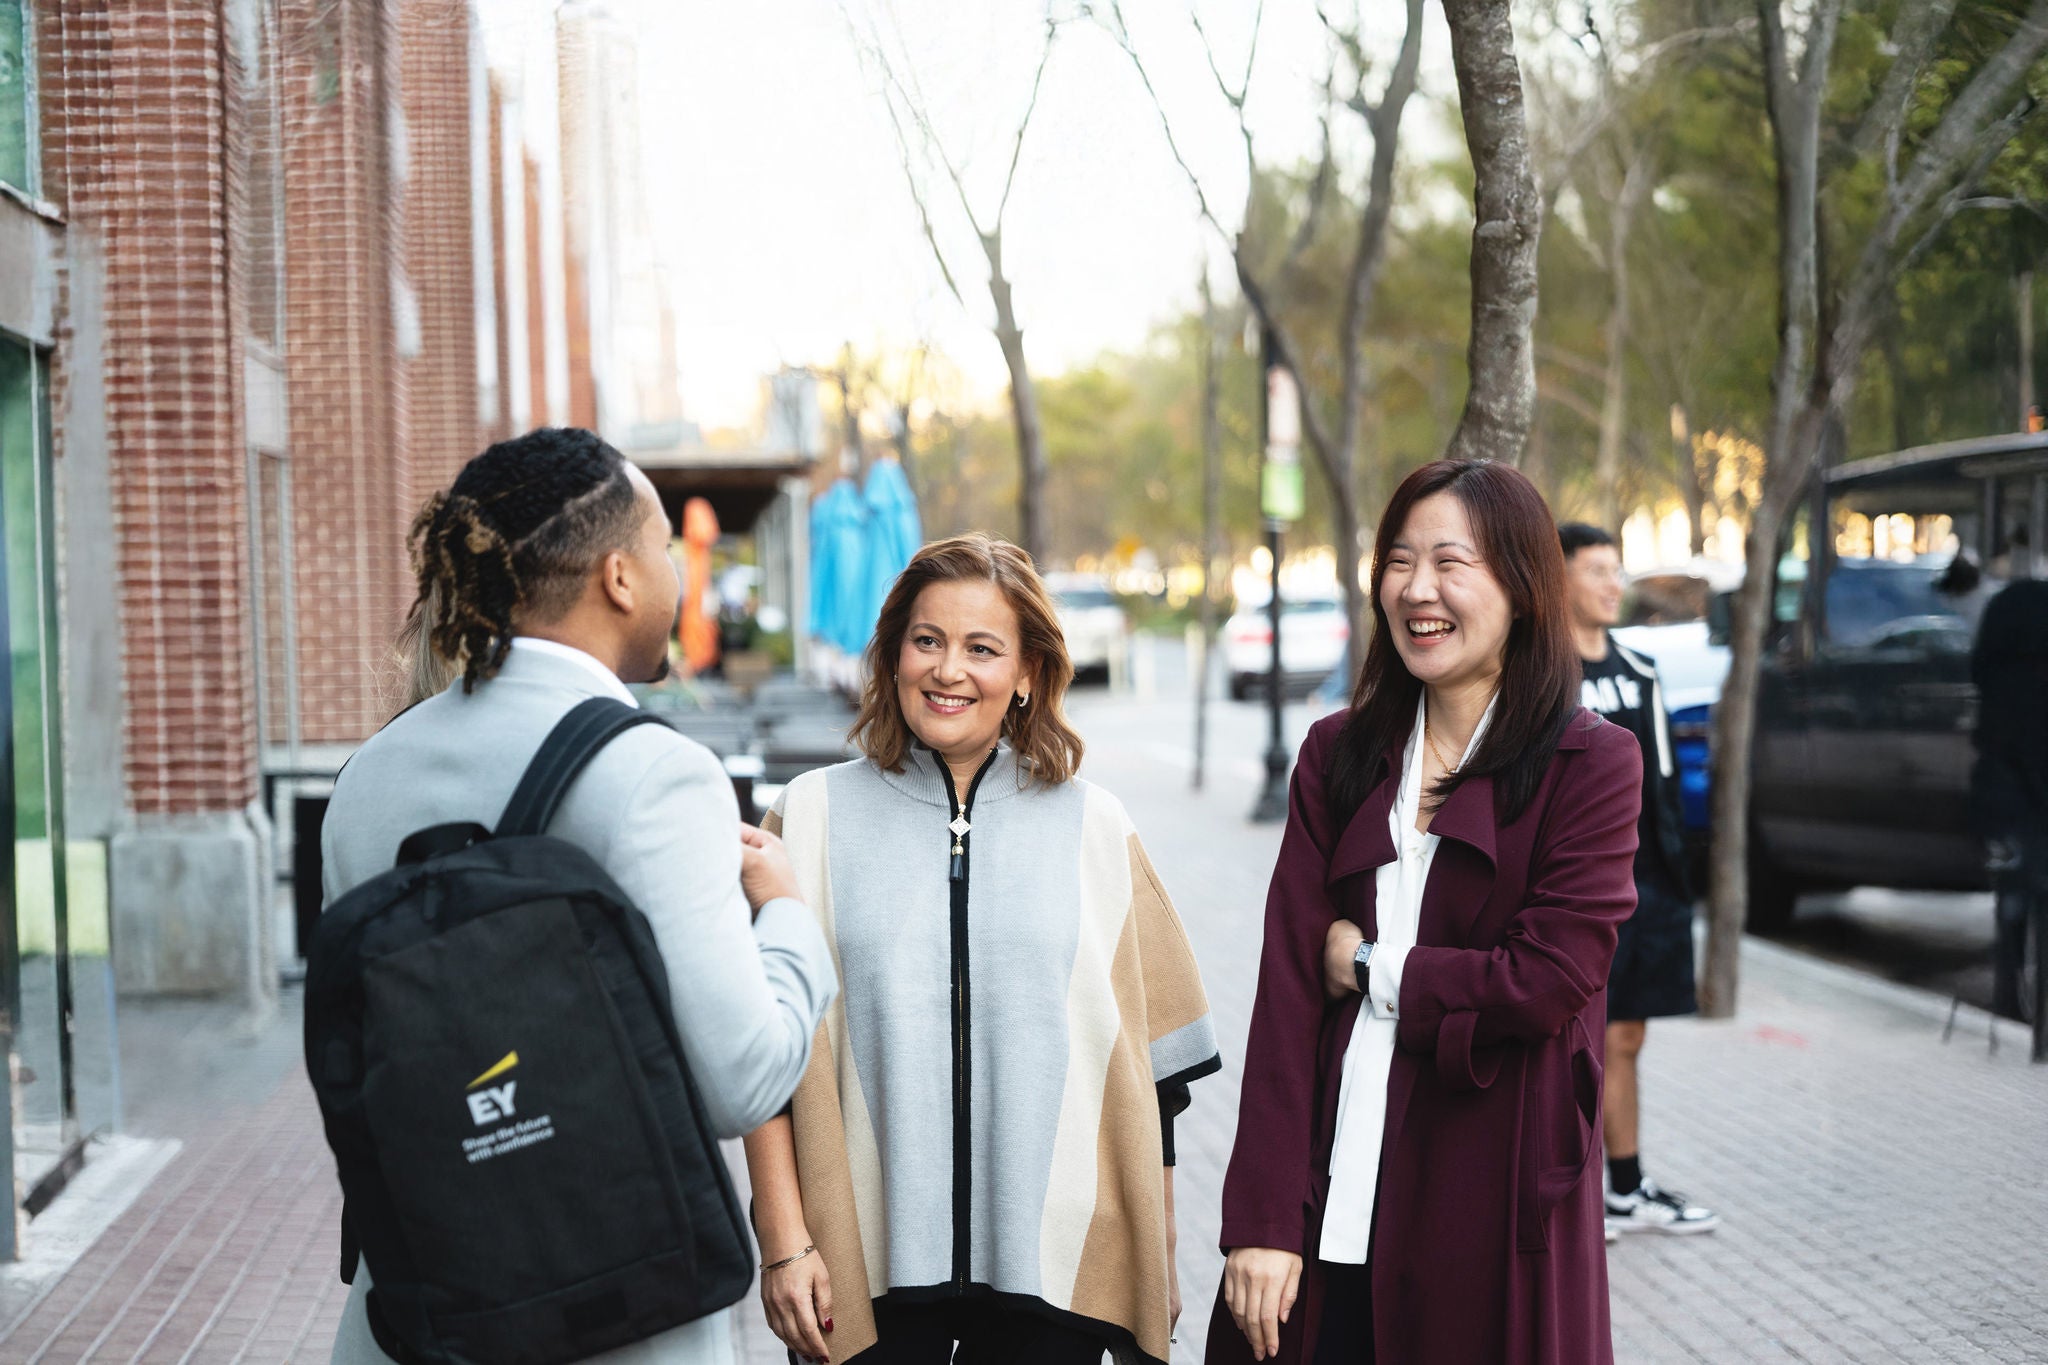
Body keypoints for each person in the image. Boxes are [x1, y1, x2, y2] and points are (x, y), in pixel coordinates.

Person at [321, 428, 839, 1365]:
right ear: (620, 577)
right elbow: (744, 1078)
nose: (680, 577)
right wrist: (791, 917)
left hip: (419, 1312)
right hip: (610, 1316)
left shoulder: (368, 774)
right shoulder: (653, 773)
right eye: (666, 549)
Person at [743, 533, 1220, 1365]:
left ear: (1029, 671)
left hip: (1052, 1270)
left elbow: (1158, 1074)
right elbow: (763, 1060)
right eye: (926, 641)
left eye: (982, 648)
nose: (948, 669)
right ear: (893, 656)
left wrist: (1156, 1253)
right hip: (863, 1265)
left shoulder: (1096, 828)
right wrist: (783, 1241)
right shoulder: (807, 818)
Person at [1211, 461, 1641, 1365]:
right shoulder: (1339, 753)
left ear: (1523, 589)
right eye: (1398, 561)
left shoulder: (1592, 765)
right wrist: (1261, 1218)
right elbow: (1286, 996)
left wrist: (1371, 967)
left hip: (1491, 1202)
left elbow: (1544, 981)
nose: (1416, 589)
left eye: (1451, 562)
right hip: (1329, 1201)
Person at [1557, 524, 1719, 1237]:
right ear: (1558, 577)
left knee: (1624, 1038)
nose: (1612, 585)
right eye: (1596, 570)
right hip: (1569, 894)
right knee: (1571, 1043)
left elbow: (1659, 785)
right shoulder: (1541, 674)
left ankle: (1624, 1185)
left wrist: (1673, 886)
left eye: (1615, 571)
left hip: (1641, 889)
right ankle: (1569, 1191)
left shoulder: (1640, 668)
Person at [1970, 575, 2048, 1024]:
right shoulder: (2034, 685)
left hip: (2002, 805)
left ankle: (2010, 999)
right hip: (2027, 803)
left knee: (2013, 905)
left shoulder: (1999, 681)